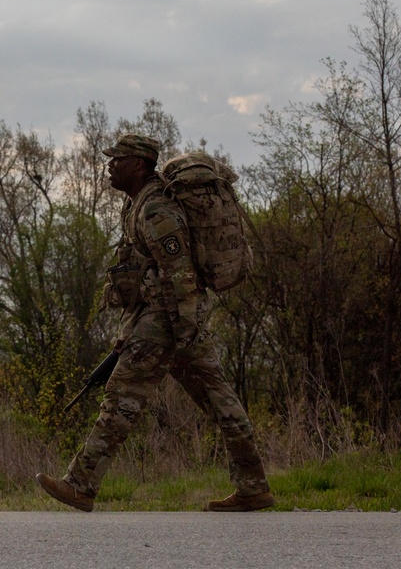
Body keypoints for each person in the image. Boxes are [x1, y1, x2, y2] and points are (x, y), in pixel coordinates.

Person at [35, 133, 274, 513]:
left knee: (121, 399)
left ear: (139, 165)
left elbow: (179, 274)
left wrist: (181, 331)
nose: (110, 166)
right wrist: (129, 331)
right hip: (169, 320)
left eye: (118, 160)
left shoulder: (155, 210)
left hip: (169, 321)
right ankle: (253, 486)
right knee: (219, 400)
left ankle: (80, 484)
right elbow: (140, 277)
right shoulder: (138, 205)